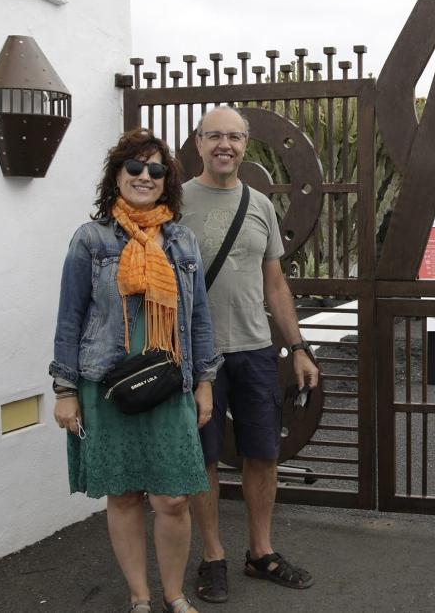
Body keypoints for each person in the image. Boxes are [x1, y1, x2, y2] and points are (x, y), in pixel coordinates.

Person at [51, 128, 220, 613]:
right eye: (135, 167)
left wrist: (205, 382)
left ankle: (174, 594)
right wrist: (65, 390)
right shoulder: (91, 239)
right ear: (116, 175)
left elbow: (200, 320)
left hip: (170, 386)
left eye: (156, 169)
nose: (145, 176)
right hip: (106, 385)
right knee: (124, 496)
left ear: (168, 181)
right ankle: (140, 597)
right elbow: (70, 318)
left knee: (173, 499)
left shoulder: (181, 241)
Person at [179, 105, 321, 603]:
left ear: (246, 145)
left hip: (257, 350)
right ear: (197, 143)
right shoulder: (173, 204)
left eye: (234, 137)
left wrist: (298, 346)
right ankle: (213, 554)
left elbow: (275, 284)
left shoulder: (259, 204)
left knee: (263, 453)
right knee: (205, 458)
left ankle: (261, 552)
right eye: (214, 135)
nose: (225, 145)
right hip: (197, 358)